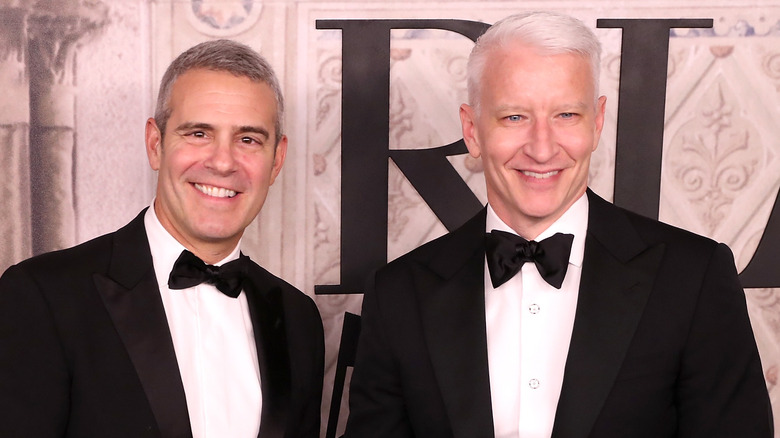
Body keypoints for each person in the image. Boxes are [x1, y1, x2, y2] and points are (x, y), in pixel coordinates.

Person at [344, 11, 772, 438]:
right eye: (514, 117)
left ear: (597, 122)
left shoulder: (692, 277)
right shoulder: (399, 293)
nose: (542, 148)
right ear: (472, 131)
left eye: (566, 115)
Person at [0, 39, 324, 437]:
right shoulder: (43, 296)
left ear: (276, 161)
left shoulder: (297, 318)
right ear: (156, 145)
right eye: (199, 133)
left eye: (248, 139)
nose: (222, 162)